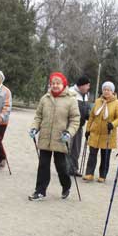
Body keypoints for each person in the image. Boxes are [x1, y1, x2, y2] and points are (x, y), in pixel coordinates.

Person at [28, 72, 80, 201]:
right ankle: (40, 191)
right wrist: (35, 127)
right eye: (53, 83)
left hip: (61, 138)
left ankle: (66, 185)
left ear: (63, 84)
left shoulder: (71, 99)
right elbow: (38, 116)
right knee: (43, 165)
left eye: (58, 83)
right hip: (45, 137)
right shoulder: (45, 98)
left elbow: (75, 120)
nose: (55, 85)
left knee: (61, 166)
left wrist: (69, 132)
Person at [82, 81, 118, 183]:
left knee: (105, 156)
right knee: (92, 154)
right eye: (104, 89)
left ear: (112, 91)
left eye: (108, 90)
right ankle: (89, 173)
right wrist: (88, 129)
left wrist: (112, 124)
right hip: (95, 132)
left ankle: (102, 175)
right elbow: (92, 116)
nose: (106, 91)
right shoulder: (97, 101)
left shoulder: (117, 103)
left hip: (108, 134)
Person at [67, 75, 91, 177]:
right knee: (67, 147)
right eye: (87, 85)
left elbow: (85, 109)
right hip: (69, 125)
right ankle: (65, 168)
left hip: (80, 125)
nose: (88, 87)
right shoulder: (70, 92)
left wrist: (88, 115)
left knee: (76, 149)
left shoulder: (85, 95)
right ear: (82, 85)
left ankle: (73, 169)